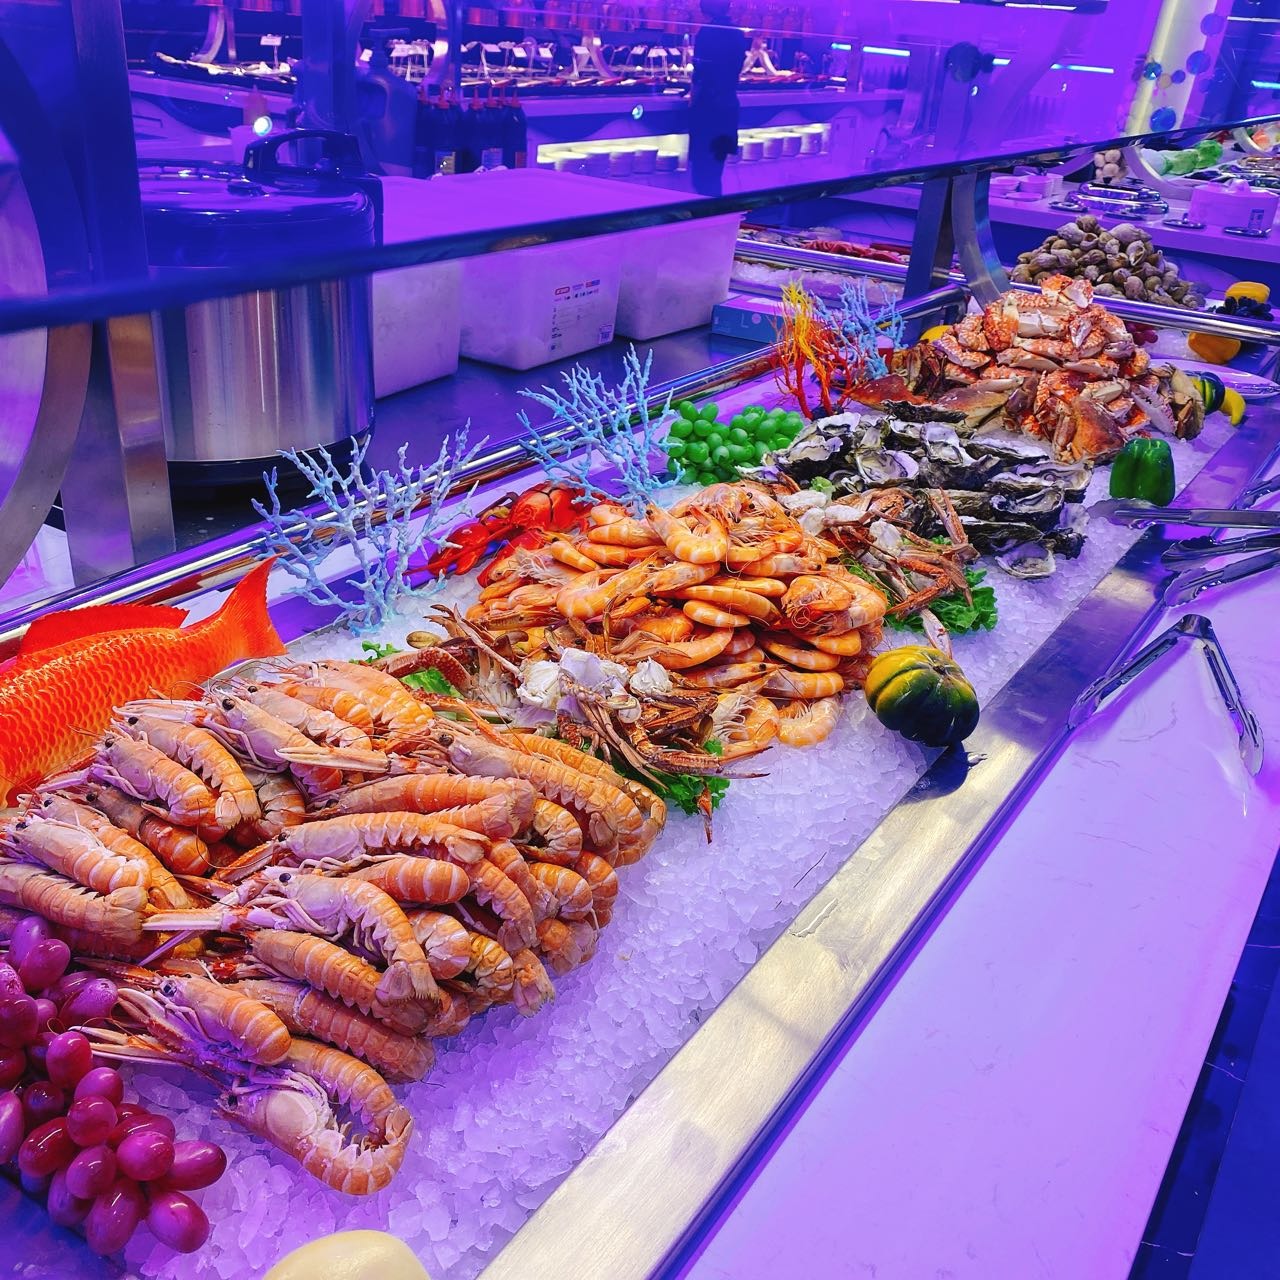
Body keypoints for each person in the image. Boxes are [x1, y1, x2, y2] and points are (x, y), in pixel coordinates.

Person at [688, 0, 747, 197]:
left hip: (708, 109)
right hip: (728, 107)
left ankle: (705, 213)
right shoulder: (737, 33)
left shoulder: (707, 32)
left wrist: (692, 99)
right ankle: (715, 210)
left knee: (701, 177)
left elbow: (701, 73)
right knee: (715, 173)